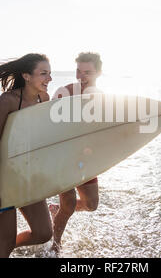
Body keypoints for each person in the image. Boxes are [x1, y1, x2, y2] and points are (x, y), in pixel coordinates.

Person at [0, 53, 53, 258]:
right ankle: (4, 247)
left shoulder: (44, 98)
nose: (49, 79)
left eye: (50, 74)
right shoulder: (9, 100)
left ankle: (3, 247)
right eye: (43, 73)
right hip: (4, 177)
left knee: (43, 233)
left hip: (28, 175)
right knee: (7, 241)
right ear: (27, 76)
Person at [49, 52, 103, 253]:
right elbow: (47, 121)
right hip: (64, 156)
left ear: (99, 72)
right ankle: (55, 245)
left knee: (91, 204)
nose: (81, 76)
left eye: (87, 72)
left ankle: (56, 210)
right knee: (69, 202)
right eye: (78, 71)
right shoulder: (65, 92)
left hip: (85, 158)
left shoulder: (101, 98)